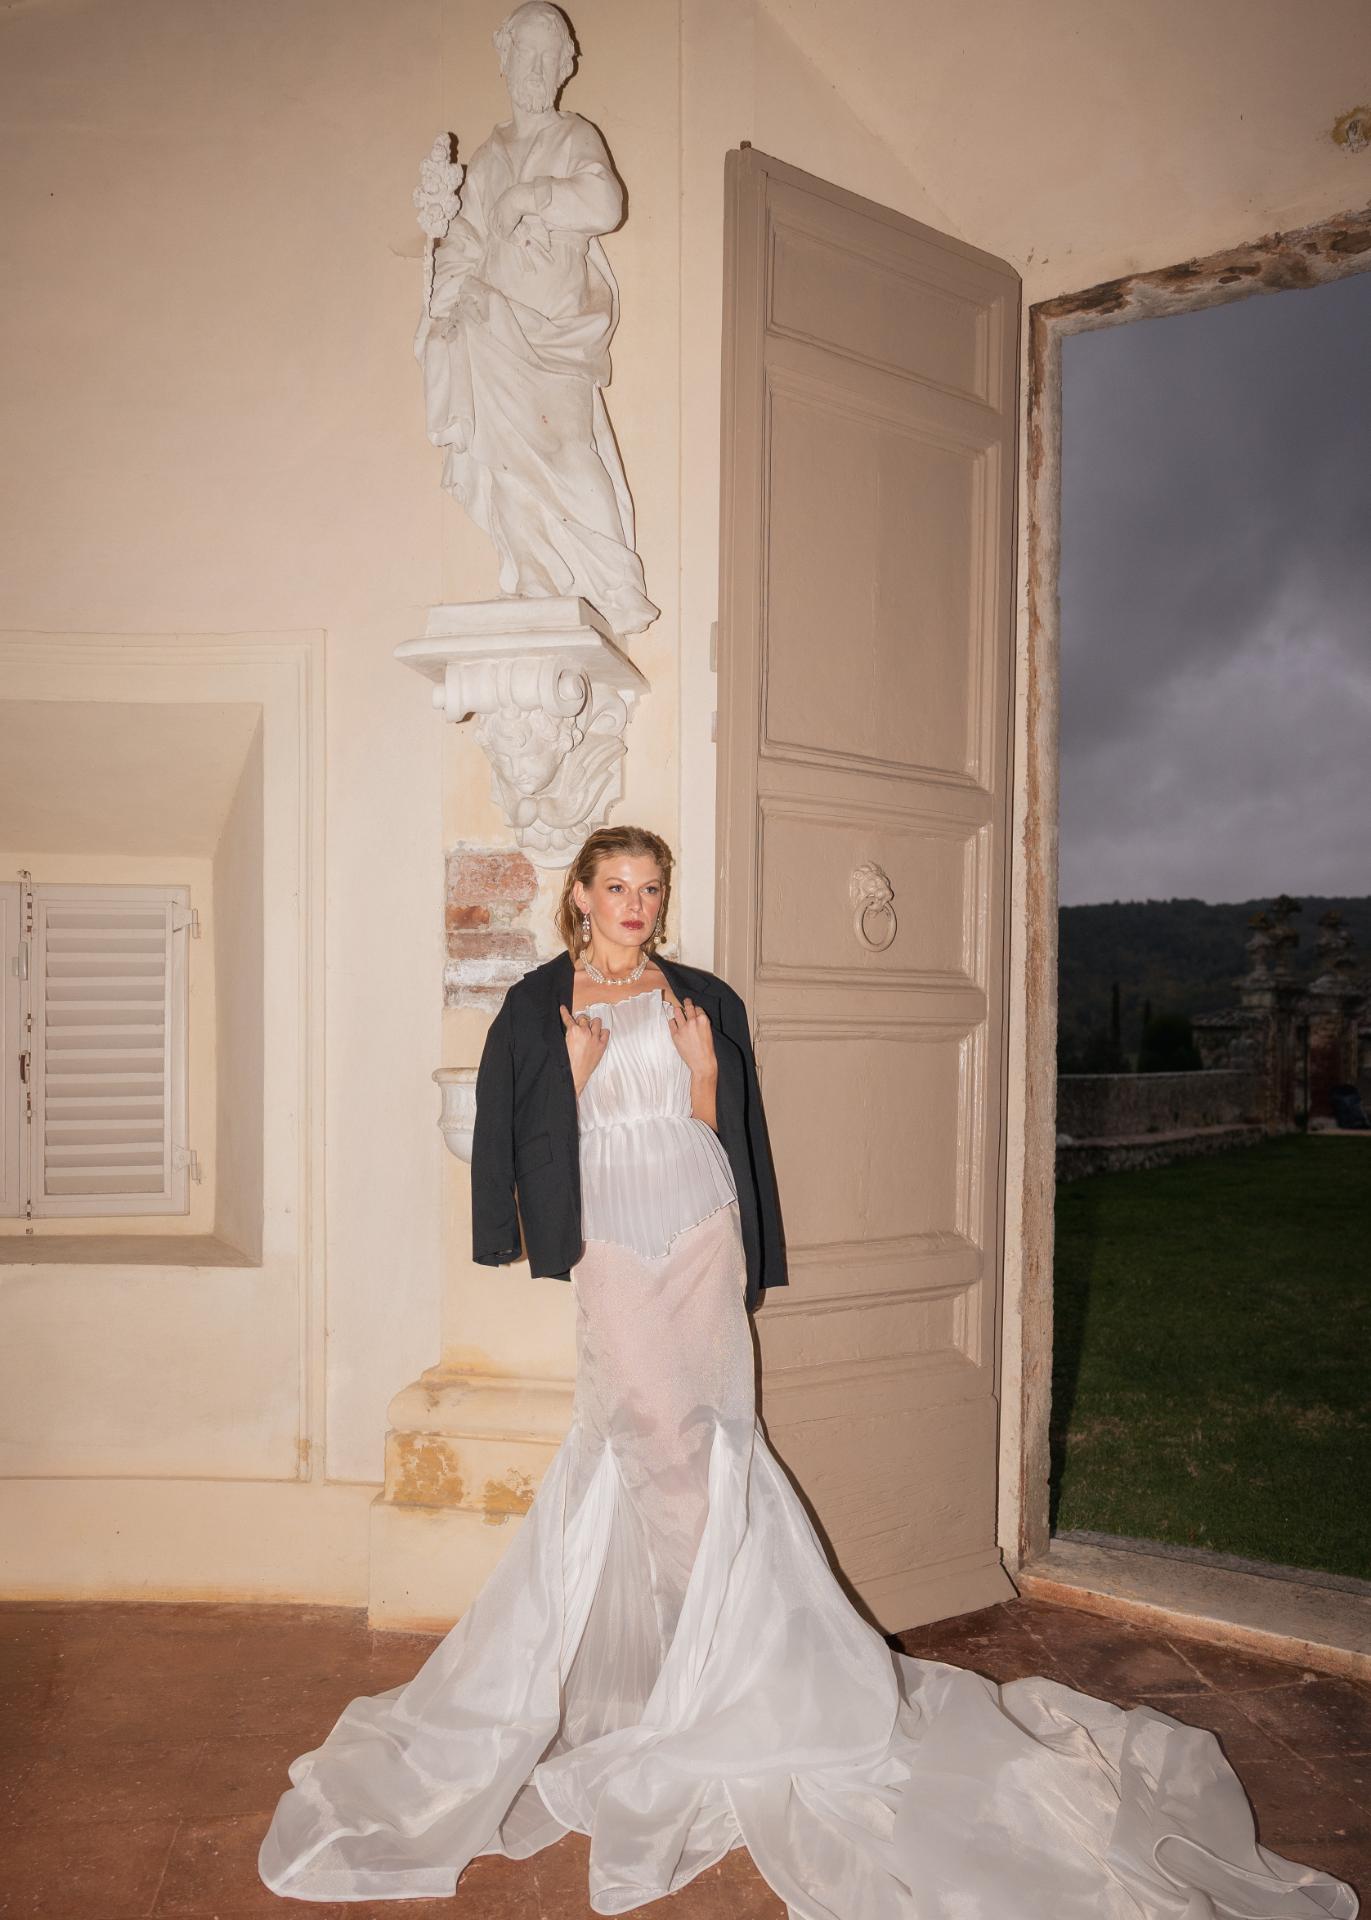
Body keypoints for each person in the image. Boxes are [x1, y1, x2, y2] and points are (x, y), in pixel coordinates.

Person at [259, 826, 1357, 1917]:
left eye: (652, 887)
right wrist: (578, 1078)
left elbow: (722, 1132)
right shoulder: (537, 1005)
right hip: (615, 1247)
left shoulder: (703, 1001)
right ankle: (690, 1672)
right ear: (581, 898)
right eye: (617, 887)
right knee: (645, 1441)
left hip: (699, 1227)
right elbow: (515, 1145)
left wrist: (699, 1072)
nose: (636, 904)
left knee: (711, 1444)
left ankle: (723, 1674)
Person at [416, 1, 659, 640]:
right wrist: (443, 281)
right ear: (505, 57)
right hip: (492, 327)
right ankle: (534, 576)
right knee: (501, 459)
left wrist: (535, 197)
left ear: (564, 67)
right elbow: (465, 243)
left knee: (568, 449)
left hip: (554, 333)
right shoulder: (488, 156)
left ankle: (616, 583)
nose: (536, 65)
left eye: (548, 55)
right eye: (525, 52)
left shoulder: (575, 137)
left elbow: (605, 202)